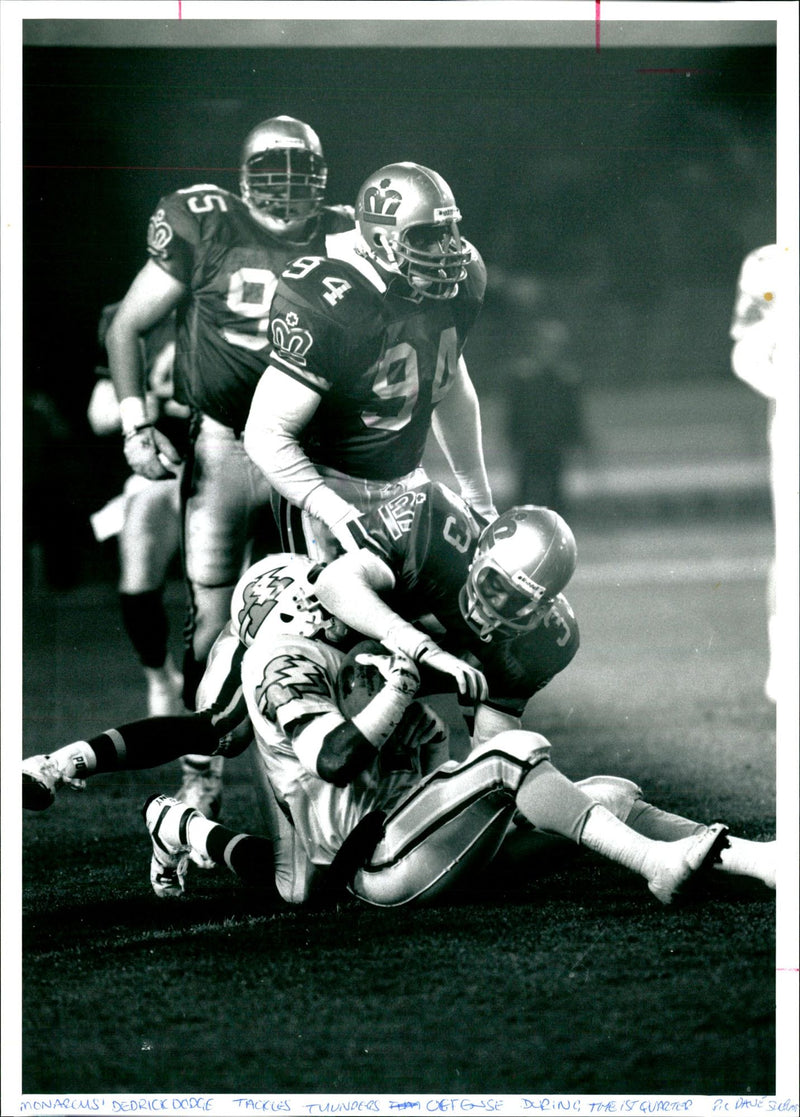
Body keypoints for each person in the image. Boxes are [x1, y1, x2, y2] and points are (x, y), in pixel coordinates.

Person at [21, 557, 776, 908]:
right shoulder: (285, 666)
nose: (323, 604)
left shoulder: (354, 631)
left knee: (610, 791)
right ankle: (655, 867)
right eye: (304, 597)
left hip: (410, 834)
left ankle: (749, 858)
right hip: (374, 855)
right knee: (507, 758)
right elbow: (341, 756)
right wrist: (399, 688)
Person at [104, 115, 356, 814]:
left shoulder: (345, 233)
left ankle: (320, 779)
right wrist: (135, 426)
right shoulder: (203, 224)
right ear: (243, 183)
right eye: (269, 179)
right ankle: (200, 776)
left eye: (296, 179)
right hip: (224, 444)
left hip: (308, 452)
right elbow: (128, 323)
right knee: (210, 625)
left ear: (320, 182)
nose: (283, 196)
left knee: (322, 615)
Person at [242, 161, 497, 564]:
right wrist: (336, 512)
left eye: (448, 231)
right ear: (381, 238)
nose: (448, 249)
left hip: (407, 482)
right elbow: (265, 434)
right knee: (344, 621)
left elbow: (448, 383)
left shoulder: (462, 283)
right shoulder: (329, 296)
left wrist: (479, 500)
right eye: (427, 237)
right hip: (329, 486)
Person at [313, 482, 580, 747]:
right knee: (360, 685)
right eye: (494, 583)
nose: (496, 604)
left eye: (518, 601)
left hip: (427, 668)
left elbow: (492, 744)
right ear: (479, 553)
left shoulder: (550, 639)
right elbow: (332, 582)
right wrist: (421, 647)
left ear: (542, 608)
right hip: (345, 628)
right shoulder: (432, 526)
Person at [87, 303, 188, 717]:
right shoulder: (129, 314)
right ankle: (161, 679)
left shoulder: (236, 295)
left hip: (240, 463)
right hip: (165, 470)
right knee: (138, 579)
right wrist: (149, 405)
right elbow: (100, 414)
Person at [729, 244, 780, 702]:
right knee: (791, 548)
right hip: (792, 423)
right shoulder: (769, 263)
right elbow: (743, 346)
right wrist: (781, 385)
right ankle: (784, 664)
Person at [504, 318, 587, 515]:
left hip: (554, 445)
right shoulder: (523, 378)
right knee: (523, 494)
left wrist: (577, 440)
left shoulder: (566, 379)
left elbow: (574, 415)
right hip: (529, 445)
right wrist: (512, 441)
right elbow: (514, 414)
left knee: (555, 494)